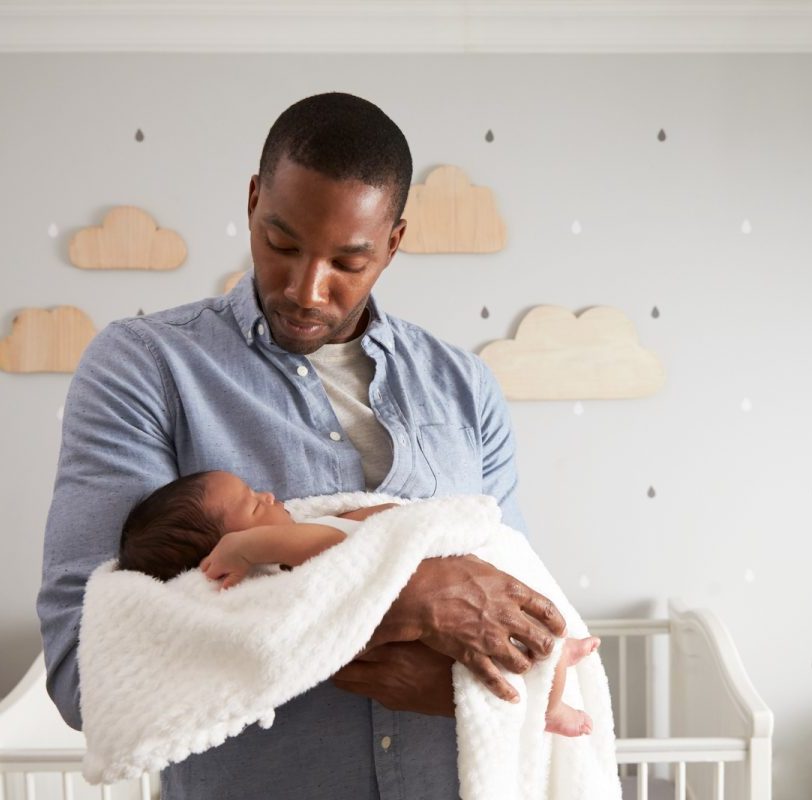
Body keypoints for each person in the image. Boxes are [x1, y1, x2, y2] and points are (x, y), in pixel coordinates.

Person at [37, 92, 567, 799]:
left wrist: (452, 672)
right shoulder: (148, 369)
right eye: (281, 244)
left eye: (349, 262)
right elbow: (89, 675)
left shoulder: (464, 388)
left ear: (394, 242)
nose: (306, 290)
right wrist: (407, 600)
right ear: (254, 199)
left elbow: (520, 611)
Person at [117, 468, 599, 737]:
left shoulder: (304, 547)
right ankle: (551, 707)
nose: (267, 493)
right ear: (223, 553)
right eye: (251, 504)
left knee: (531, 628)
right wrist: (255, 547)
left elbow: (370, 539)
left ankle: (562, 659)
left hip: (473, 570)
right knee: (534, 655)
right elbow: (327, 554)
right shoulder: (285, 568)